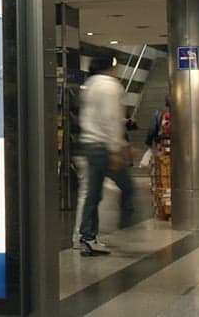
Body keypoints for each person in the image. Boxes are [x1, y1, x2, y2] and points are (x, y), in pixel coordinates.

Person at [77, 56, 134, 257]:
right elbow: (111, 119)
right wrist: (117, 149)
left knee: (93, 194)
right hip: (104, 148)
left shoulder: (90, 85)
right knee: (128, 188)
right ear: (110, 67)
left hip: (89, 144)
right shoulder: (111, 86)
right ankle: (126, 228)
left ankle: (88, 238)